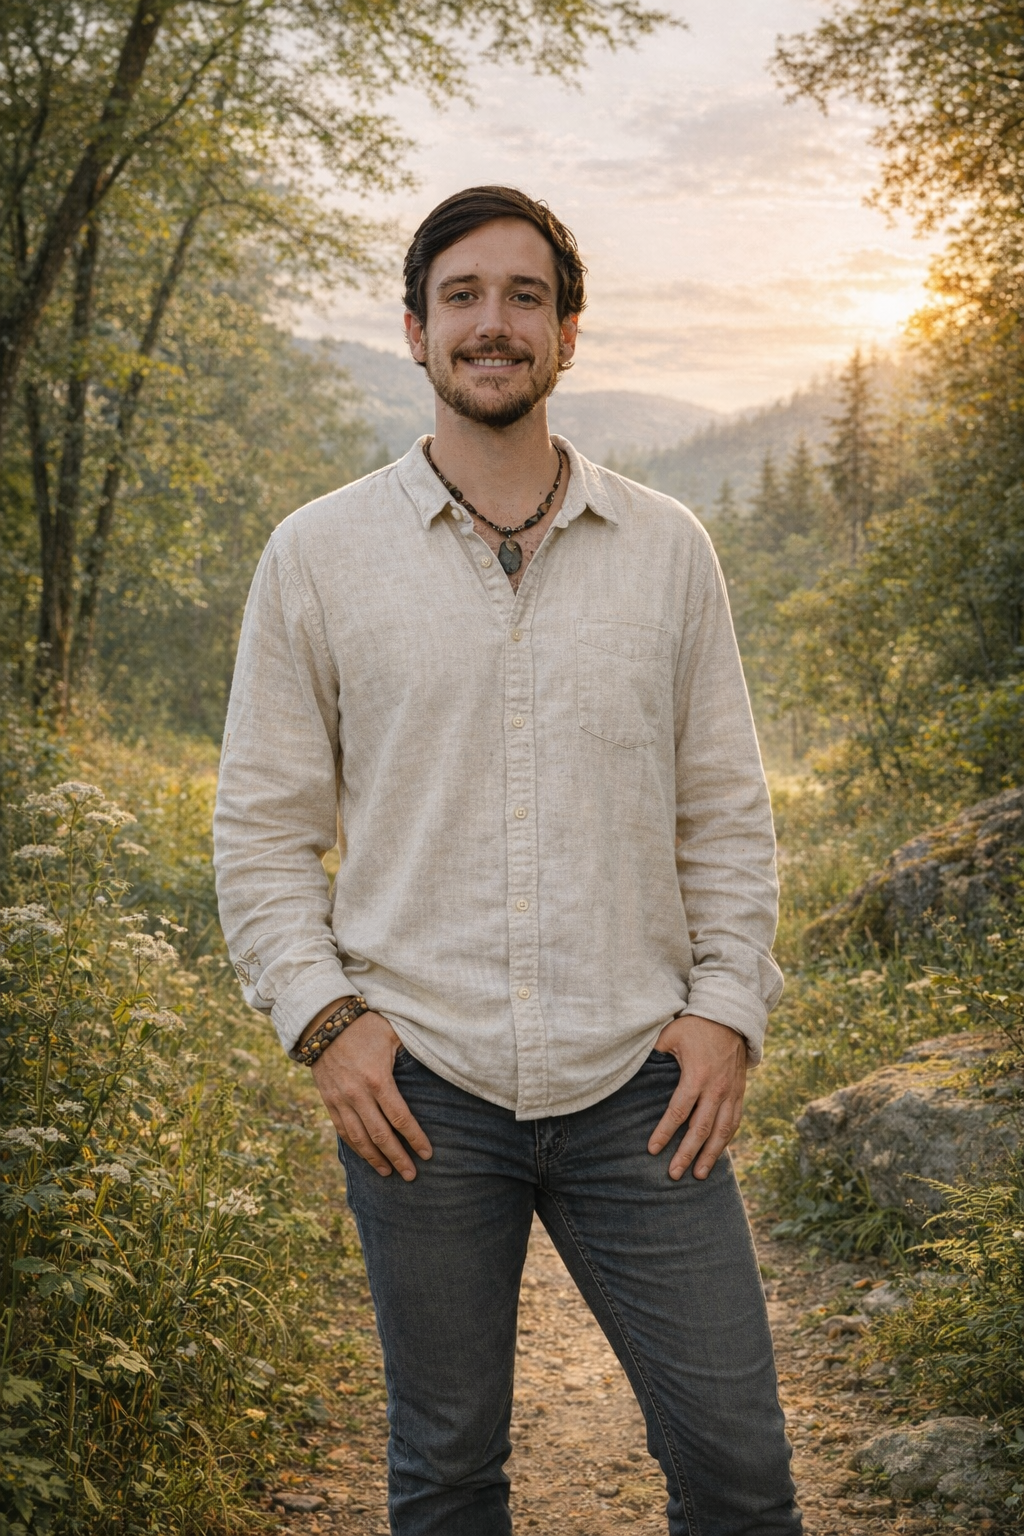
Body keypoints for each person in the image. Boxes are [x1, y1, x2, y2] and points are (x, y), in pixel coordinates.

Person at [214, 185, 801, 1536]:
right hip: (421, 1091)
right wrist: (330, 1023)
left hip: (639, 1087)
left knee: (739, 1468)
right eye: (463, 298)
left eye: (524, 297)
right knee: (446, 1474)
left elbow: (724, 809)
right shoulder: (316, 558)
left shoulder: (669, 552)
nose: (495, 324)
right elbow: (260, 827)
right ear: (416, 330)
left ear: (568, 334)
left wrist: (726, 1011)